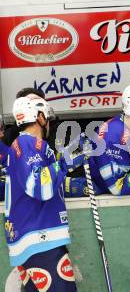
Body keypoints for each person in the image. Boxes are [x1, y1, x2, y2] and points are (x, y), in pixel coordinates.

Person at [4, 95, 86, 291]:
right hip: (40, 240)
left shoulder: (30, 147)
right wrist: (64, 164)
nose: (49, 121)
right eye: (46, 116)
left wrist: (75, 180)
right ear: (38, 116)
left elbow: (46, 180)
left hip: (34, 241)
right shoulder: (27, 145)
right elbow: (40, 185)